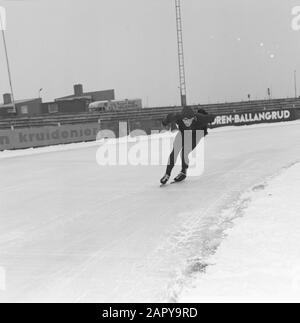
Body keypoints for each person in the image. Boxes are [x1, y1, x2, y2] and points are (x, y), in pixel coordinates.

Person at [160, 106, 215, 185]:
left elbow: (211, 117)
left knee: (184, 152)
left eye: (188, 120)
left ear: (193, 118)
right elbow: (169, 117)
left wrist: (211, 118)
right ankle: (167, 174)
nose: (186, 122)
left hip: (196, 134)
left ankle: (183, 172)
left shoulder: (200, 118)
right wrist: (165, 122)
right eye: (184, 120)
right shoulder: (177, 117)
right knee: (175, 151)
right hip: (183, 133)